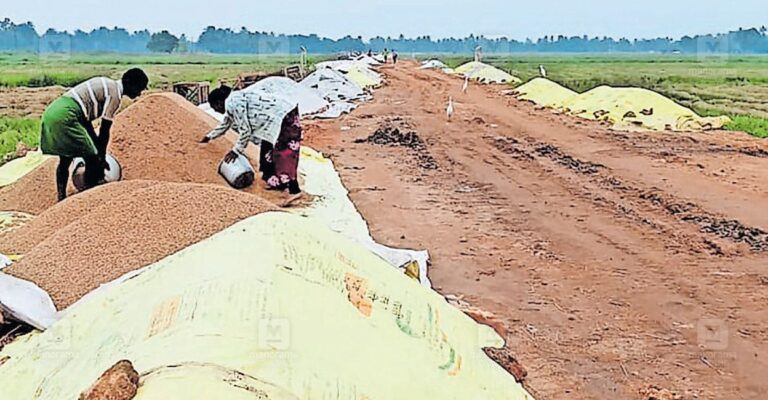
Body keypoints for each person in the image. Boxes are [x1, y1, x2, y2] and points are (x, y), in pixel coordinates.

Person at [40, 68, 149, 201]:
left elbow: (86, 123)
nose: (139, 94)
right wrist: (100, 158)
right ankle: (91, 196)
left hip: (54, 112)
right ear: (129, 83)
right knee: (92, 158)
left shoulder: (107, 84)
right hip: (67, 115)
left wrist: (98, 149)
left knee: (66, 158)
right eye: (139, 89)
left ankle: (61, 197)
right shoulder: (115, 94)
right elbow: (104, 130)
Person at [201, 86, 304, 206]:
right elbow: (225, 124)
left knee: (284, 154)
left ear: (219, 103)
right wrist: (209, 136)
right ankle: (277, 182)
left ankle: (294, 190)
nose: (215, 111)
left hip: (284, 117)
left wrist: (236, 151)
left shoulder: (233, 103)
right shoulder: (233, 102)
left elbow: (246, 131)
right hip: (273, 121)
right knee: (267, 153)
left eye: (214, 107)